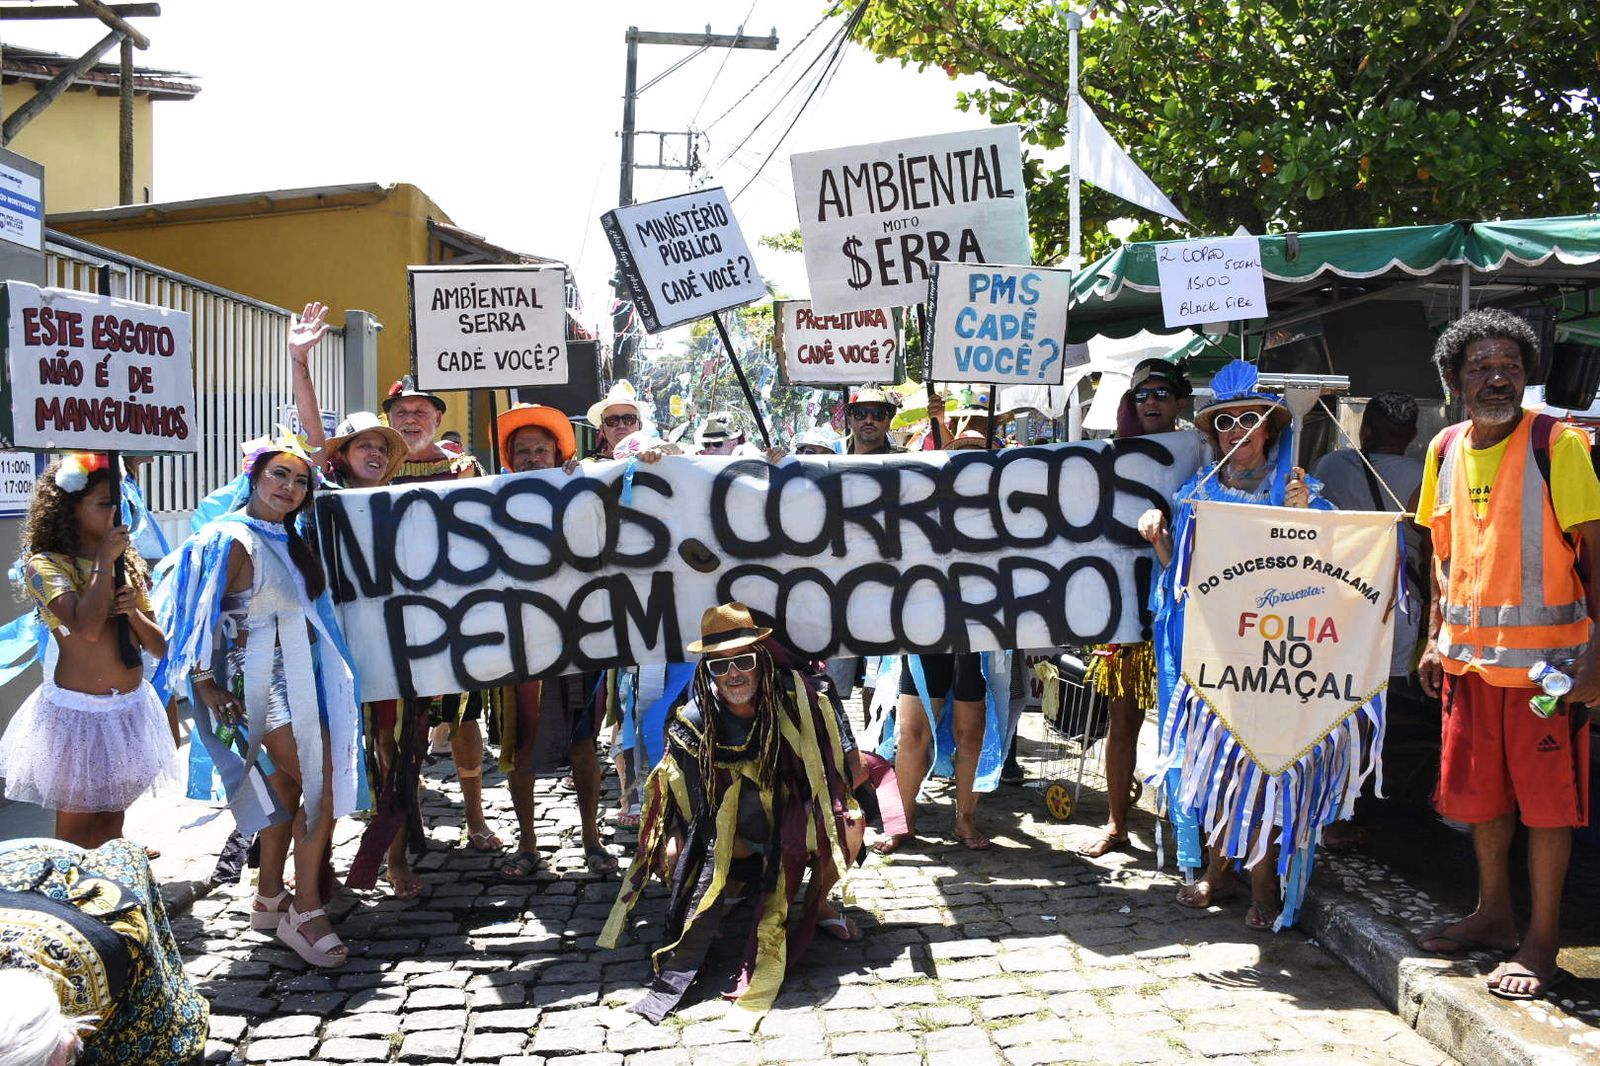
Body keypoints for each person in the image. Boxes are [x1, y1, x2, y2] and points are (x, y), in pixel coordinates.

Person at [1412, 310, 1600, 1000]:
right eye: (1481, 368)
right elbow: (1442, 554)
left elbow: (1597, 557)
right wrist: (1435, 637)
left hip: (1549, 674)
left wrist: (1598, 657)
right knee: (1483, 799)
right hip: (1470, 668)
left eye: (1510, 368)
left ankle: (1541, 941)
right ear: (1454, 381)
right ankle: (1494, 914)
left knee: (1549, 807)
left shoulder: (1559, 443)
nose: (1498, 378)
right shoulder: (1444, 450)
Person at [154, 434, 362, 968]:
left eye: (299, 480)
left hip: (301, 679)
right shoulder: (228, 539)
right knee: (323, 788)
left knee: (287, 786)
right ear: (252, 477)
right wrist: (205, 685)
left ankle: (270, 898)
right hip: (260, 687)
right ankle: (306, 910)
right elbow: (195, 620)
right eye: (278, 475)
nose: (289, 488)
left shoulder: (289, 539)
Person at [600, 603, 862, 1023]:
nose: (733, 674)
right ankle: (723, 895)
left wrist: (819, 799)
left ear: (761, 659)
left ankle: (822, 904)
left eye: (742, 660)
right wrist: (674, 840)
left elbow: (855, 769)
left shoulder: (806, 699)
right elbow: (675, 797)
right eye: (720, 665)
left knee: (850, 825)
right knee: (672, 853)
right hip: (730, 838)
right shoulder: (693, 719)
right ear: (707, 670)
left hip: (795, 827)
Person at [1138, 359, 1329, 928]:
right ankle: (1219, 870)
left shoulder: (1304, 493)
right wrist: (1162, 541)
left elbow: (1326, 575)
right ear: (1213, 433)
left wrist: (1307, 522)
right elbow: (1183, 584)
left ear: (1270, 427)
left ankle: (1265, 881)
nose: (1238, 430)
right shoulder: (1194, 496)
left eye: (1251, 419)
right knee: (1216, 763)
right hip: (1213, 649)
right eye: (1226, 422)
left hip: (1275, 652)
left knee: (1267, 763)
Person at [0, 454, 177, 849]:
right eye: (104, 505)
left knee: (112, 823)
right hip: (76, 718)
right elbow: (87, 629)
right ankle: (71, 905)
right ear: (70, 510)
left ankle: (106, 901)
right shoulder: (44, 565)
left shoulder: (125, 566)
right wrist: (102, 563)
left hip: (128, 710)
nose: (117, 514)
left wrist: (132, 611)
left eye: (120, 504)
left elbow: (159, 646)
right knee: (76, 831)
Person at [380, 376, 505, 856]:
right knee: (393, 726)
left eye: (420, 412)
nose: (410, 420)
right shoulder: (372, 467)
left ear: (438, 419)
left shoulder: (462, 467)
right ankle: (404, 822)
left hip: (454, 615)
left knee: (463, 717)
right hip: (390, 618)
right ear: (389, 419)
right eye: (402, 412)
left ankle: (475, 816)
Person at [494, 402, 617, 881]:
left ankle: (592, 836)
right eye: (520, 451)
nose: (530, 458)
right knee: (520, 744)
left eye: (539, 449)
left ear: (556, 453)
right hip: (517, 640)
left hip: (578, 636)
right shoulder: (489, 497)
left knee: (582, 740)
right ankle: (527, 844)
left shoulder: (581, 488)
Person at [1077, 358, 1191, 857]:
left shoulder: (1202, 452)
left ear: (1178, 402)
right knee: (1123, 720)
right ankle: (1117, 822)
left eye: (1161, 393)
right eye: (1142, 394)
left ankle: (1192, 825)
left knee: (1190, 722)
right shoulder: (1110, 455)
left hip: (1186, 605)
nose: (1151, 401)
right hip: (1125, 606)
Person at [1310, 390, 1429, 849]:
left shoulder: (1332, 466)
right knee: (1367, 715)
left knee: (1325, 706)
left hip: (1332, 603)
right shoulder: (1425, 475)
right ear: (1414, 436)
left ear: (1367, 430)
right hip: (1394, 606)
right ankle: (1341, 813)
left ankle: (1318, 807)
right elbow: (1431, 538)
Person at [0, 837, 209, 1064]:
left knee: (157, 1021)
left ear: (66, 1040)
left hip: (45, 867)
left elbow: (123, 854)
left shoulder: (105, 950)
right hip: (25, 901)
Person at [585, 380, 648, 460]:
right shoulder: (589, 468)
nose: (621, 425)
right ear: (602, 429)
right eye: (612, 421)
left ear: (640, 426)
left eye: (629, 419)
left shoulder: (654, 462)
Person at [843, 387, 904, 455]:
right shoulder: (836, 463)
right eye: (860, 414)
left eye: (878, 414)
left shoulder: (907, 462)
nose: (869, 420)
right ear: (849, 421)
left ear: (889, 422)